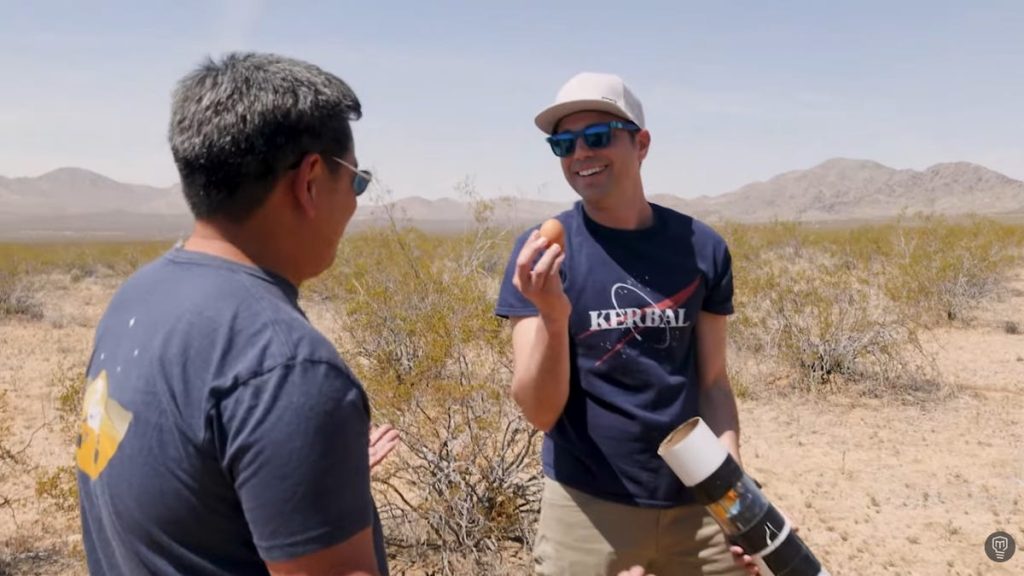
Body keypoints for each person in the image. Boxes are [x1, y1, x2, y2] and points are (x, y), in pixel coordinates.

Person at [75, 52, 398, 576]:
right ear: (311, 179)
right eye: (356, 180)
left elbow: (169, 484)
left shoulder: (137, 298)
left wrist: (304, 475)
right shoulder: (285, 369)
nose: (356, 202)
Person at [495, 72, 758, 575]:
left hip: (699, 504)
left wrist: (733, 493)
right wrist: (553, 314)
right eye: (563, 144)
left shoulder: (702, 248)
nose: (579, 154)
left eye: (597, 137)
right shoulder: (545, 253)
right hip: (587, 509)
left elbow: (713, 383)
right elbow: (539, 410)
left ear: (641, 143)